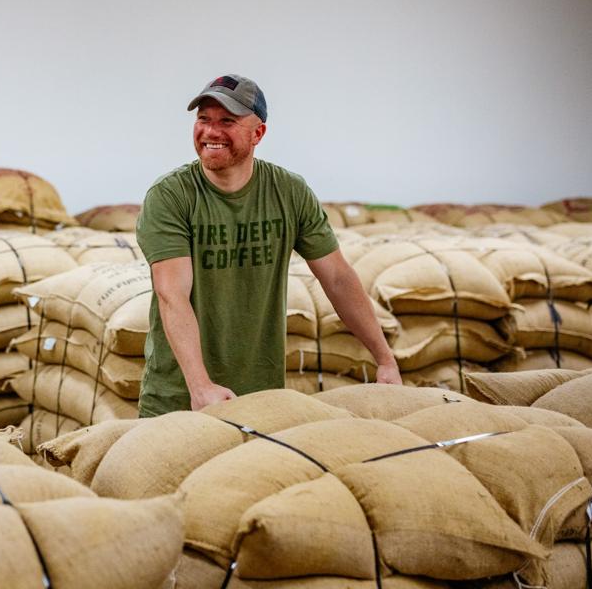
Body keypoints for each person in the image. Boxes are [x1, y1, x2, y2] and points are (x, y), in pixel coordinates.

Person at [135, 74, 401, 417]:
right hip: (179, 399)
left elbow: (337, 279)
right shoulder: (172, 196)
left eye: (227, 121)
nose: (211, 132)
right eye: (203, 119)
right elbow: (172, 294)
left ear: (258, 133)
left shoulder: (288, 192)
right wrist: (200, 387)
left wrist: (385, 360)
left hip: (262, 397)